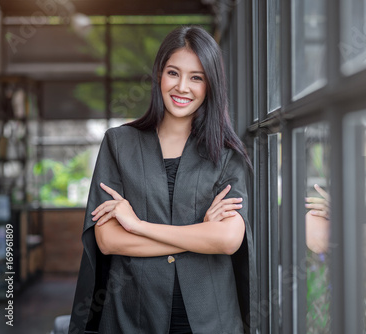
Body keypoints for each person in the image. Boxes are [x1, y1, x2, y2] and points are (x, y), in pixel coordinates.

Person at [69, 26, 256, 334]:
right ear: (158, 74)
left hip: (210, 319)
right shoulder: (119, 144)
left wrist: (137, 225)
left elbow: (227, 240)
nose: (182, 87)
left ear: (210, 85)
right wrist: (200, 235)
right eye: (174, 73)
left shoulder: (226, 153)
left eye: (196, 77)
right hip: (131, 316)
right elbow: (107, 240)